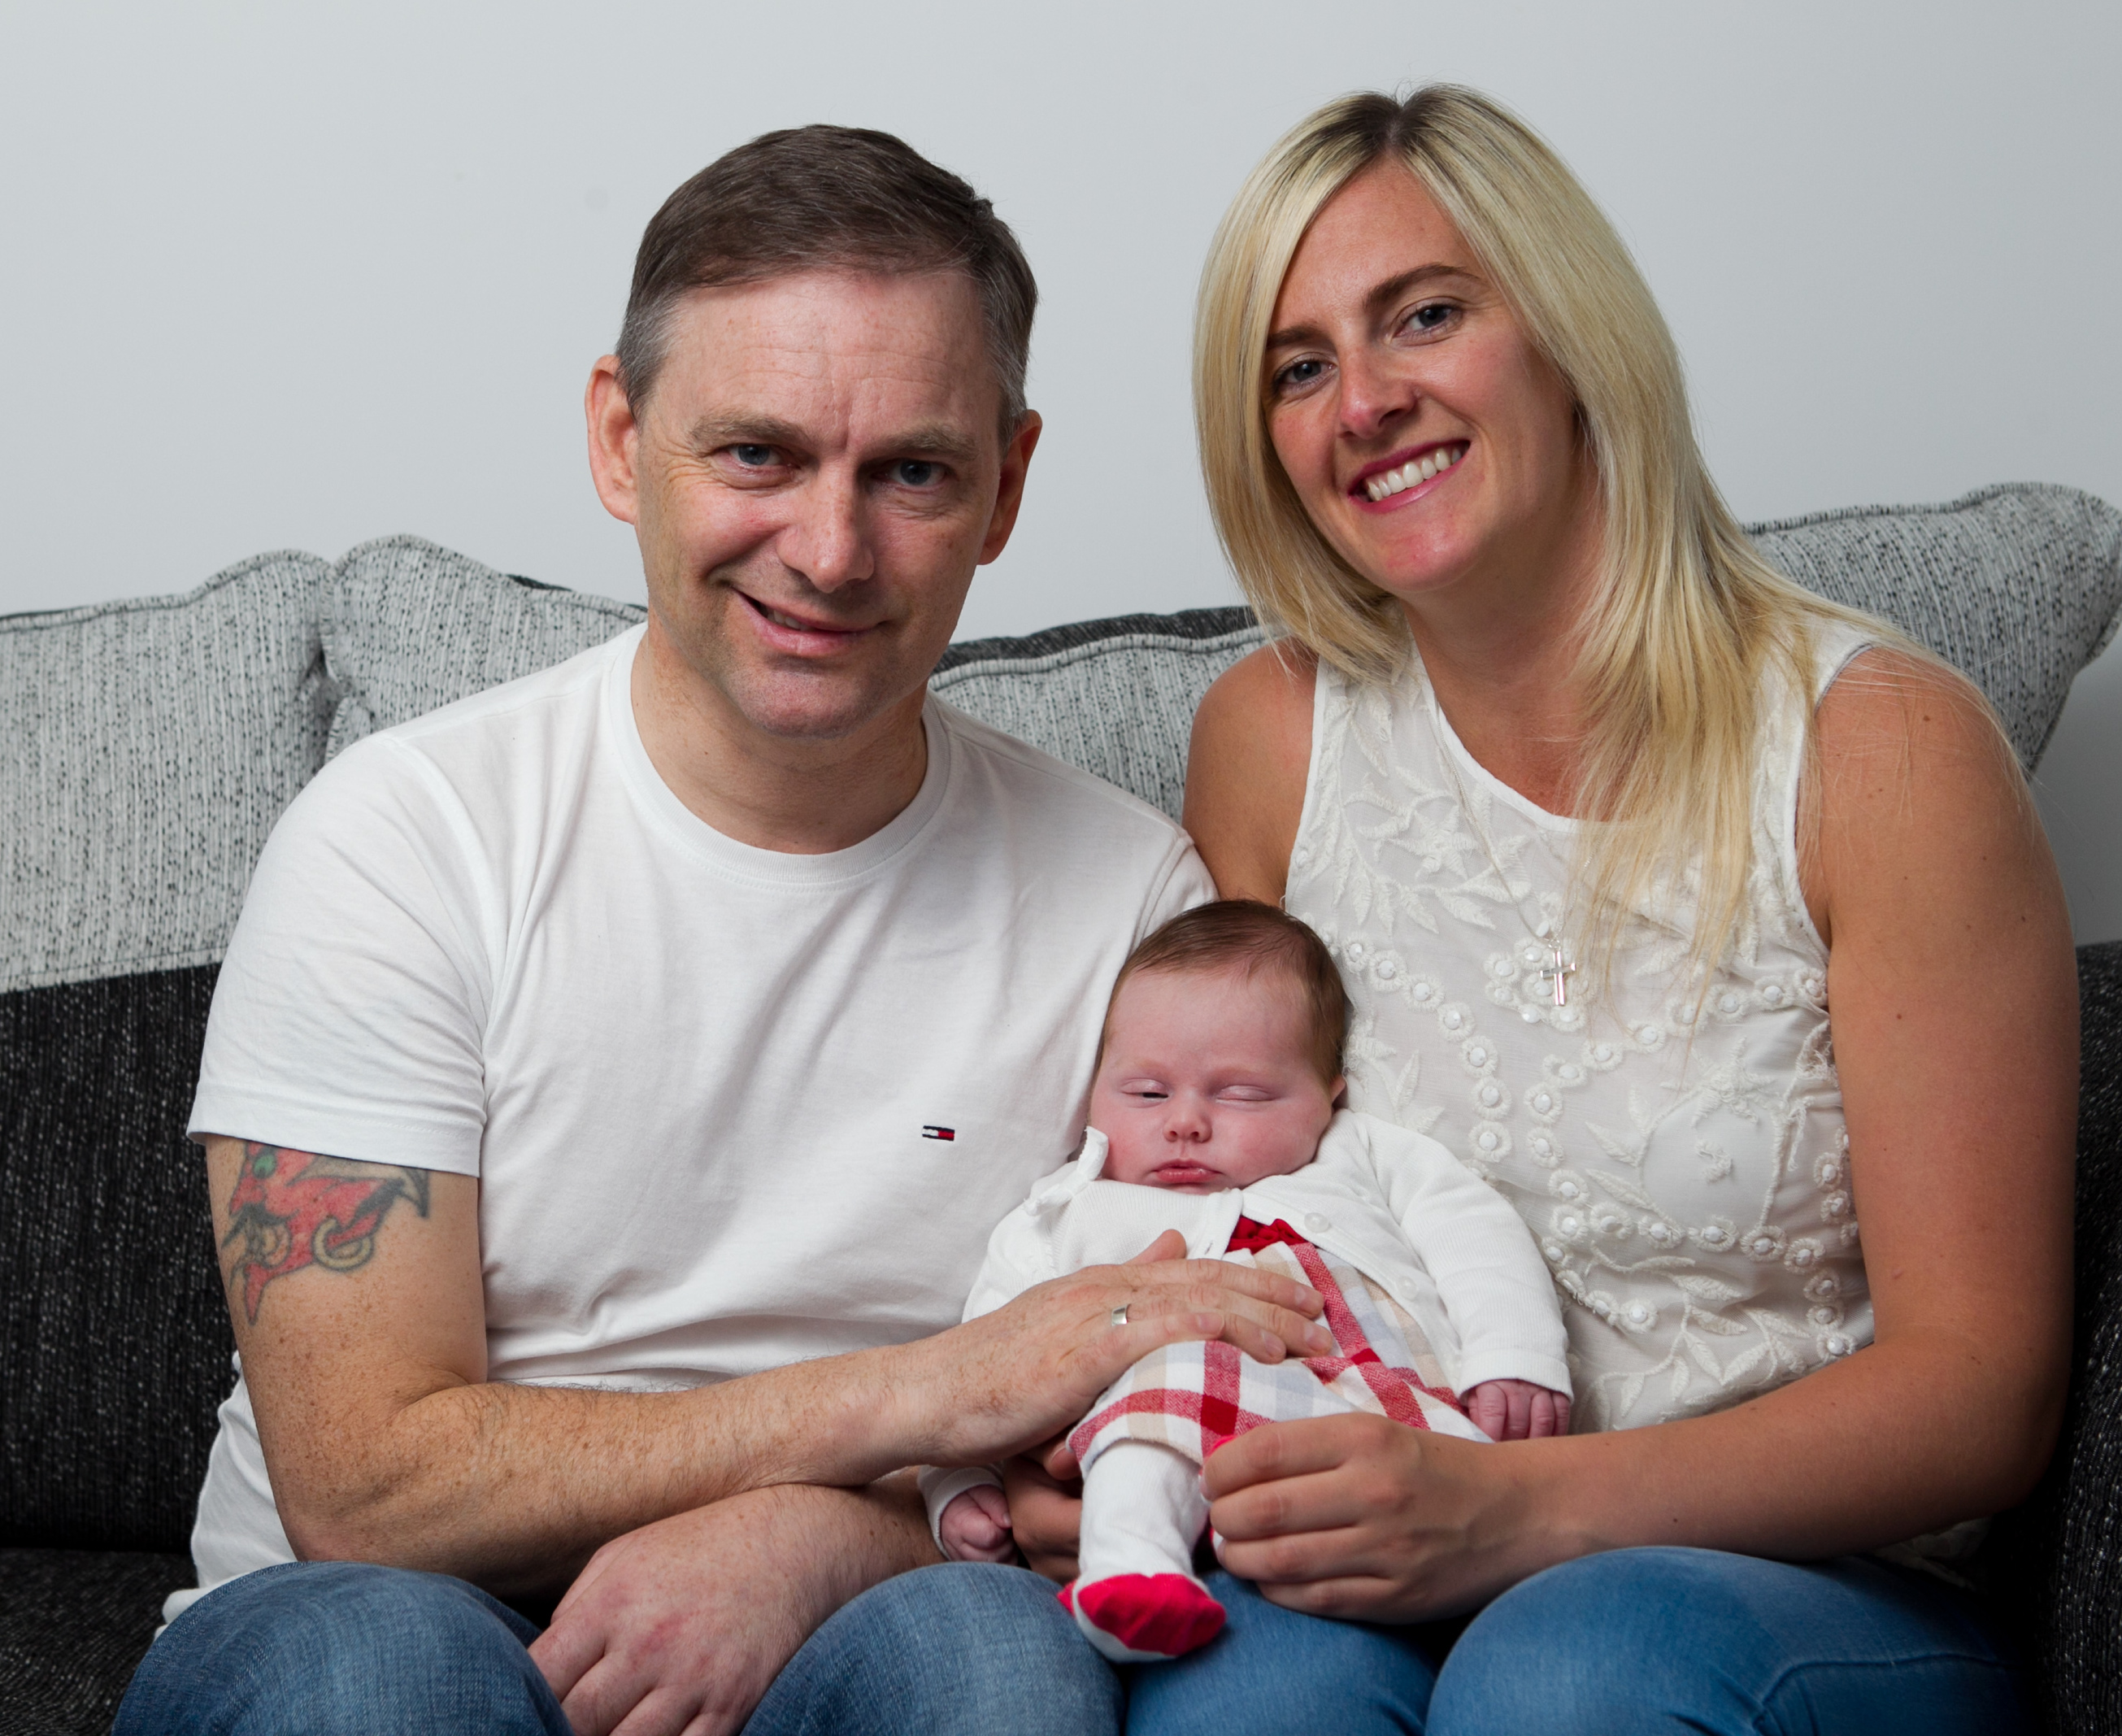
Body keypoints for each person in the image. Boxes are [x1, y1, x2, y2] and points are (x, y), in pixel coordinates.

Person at [112, 125, 1344, 1736]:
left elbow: (1165, 1409)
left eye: (912, 471)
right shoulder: (402, 840)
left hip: (876, 1600)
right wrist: (925, 1394)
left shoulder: (1134, 904)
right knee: (387, 1677)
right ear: (622, 441)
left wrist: (824, 1540)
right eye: (757, 454)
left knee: (997, 1663)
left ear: (1010, 485)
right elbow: (366, 1486)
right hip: (381, 1610)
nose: (830, 553)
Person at [1058, 85, 2074, 1733]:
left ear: (1566, 331)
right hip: (1386, 1516)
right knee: (1246, 1699)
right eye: (1298, 367)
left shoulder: (1881, 751)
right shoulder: (1270, 737)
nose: (1366, 402)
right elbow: (1222, 1198)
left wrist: (1516, 1519)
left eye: (1426, 316)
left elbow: (1983, 1397)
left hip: (1808, 1575)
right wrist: (1135, 1456)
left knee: (1568, 1678)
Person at [924, 901, 1568, 1667]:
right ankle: (1133, 1571)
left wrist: (1515, 1355)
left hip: (1393, 1428)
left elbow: (1475, 1233)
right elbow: (978, 1360)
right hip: (1193, 1435)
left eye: (1242, 1094)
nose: (1186, 1123)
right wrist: (955, 1480)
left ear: (1330, 1092)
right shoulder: (1067, 1211)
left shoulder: (1357, 1154)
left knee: (1490, 1510)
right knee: (1162, 1386)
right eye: (1148, 1094)